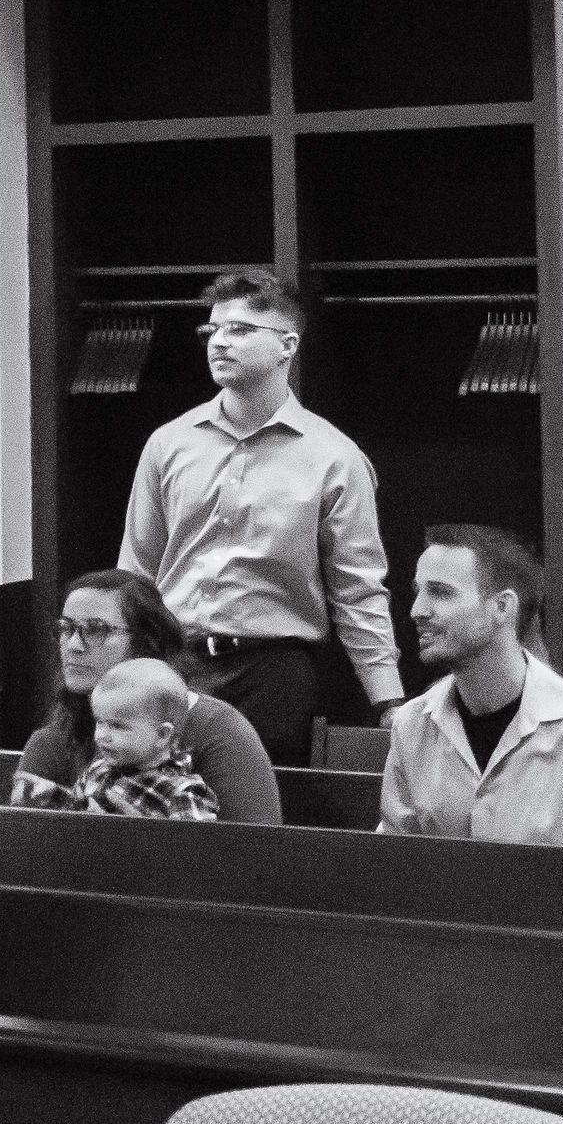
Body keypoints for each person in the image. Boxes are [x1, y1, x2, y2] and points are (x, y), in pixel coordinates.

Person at [121, 267, 402, 764]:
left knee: (262, 806)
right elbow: (136, 571)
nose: (219, 342)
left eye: (240, 330)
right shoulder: (169, 443)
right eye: (212, 330)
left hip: (274, 673)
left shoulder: (334, 456)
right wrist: (122, 668)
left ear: (287, 346)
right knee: (160, 800)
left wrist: (387, 700)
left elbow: (358, 589)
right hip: (174, 661)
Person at [380, 524, 563, 850]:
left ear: (503, 607)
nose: (417, 611)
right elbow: (395, 864)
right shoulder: (412, 726)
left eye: (440, 592)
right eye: (418, 592)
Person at [13, 569, 282, 823]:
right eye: (66, 628)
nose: (73, 645)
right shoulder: (54, 739)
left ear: (147, 640)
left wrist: (150, 841)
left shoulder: (217, 728)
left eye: (95, 629)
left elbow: (257, 849)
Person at [62, 658, 226, 822]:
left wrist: (142, 833)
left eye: (117, 726)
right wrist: (52, 794)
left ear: (162, 735)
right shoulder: (98, 770)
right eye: (99, 722)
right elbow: (71, 812)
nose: (102, 735)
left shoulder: (181, 792)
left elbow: (194, 839)